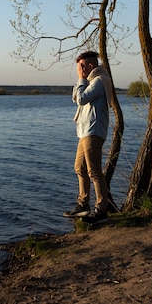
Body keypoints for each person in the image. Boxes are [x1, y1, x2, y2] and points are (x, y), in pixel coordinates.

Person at [63, 51, 114, 222]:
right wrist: (81, 80)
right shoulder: (92, 80)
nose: (79, 69)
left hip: (94, 131)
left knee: (94, 171)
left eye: (81, 66)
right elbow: (75, 98)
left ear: (90, 66)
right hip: (84, 132)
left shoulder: (99, 80)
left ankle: (101, 210)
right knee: (79, 167)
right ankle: (83, 205)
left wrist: (81, 79)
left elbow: (81, 98)